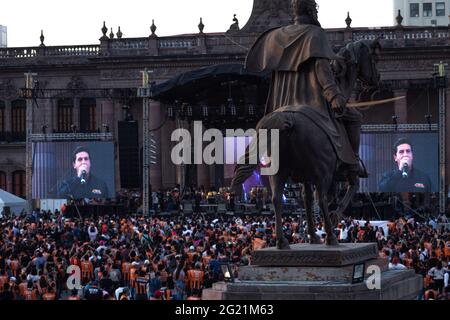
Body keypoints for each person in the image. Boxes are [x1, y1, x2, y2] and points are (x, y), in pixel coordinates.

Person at [245, 0, 368, 181]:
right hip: (312, 101)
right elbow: (322, 69)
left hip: (281, 103)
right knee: (354, 116)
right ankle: (352, 164)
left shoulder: (274, 37)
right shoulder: (314, 34)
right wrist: (334, 95)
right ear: (311, 10)